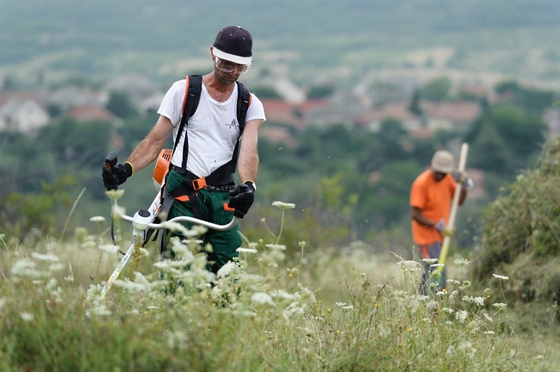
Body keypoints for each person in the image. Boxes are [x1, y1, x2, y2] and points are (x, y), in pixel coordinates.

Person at [102, 26, 266, 274]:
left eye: (239, 67)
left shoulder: (249, 104)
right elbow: (155, 140)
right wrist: (126, 169)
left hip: (223, 197)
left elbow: (249, 151)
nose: (232, 72)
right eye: (226, 64)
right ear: (213, 54)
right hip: (183, 193)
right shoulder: (185, 91)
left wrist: (249, 185)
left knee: (230, 277)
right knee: (177, 272)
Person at [409, 150, 473, 294]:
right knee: (434, 271)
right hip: (426, 237)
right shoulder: (421, 183)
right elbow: (415, 214)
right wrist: (437, 226)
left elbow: (459, 201)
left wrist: (464, 185)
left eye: (443, 173)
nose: (439, 175)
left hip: (441, 236)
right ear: (432, 165)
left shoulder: (446, 179)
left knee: (439, 270)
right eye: (437, 171)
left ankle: (435, 301)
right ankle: (425, 301)